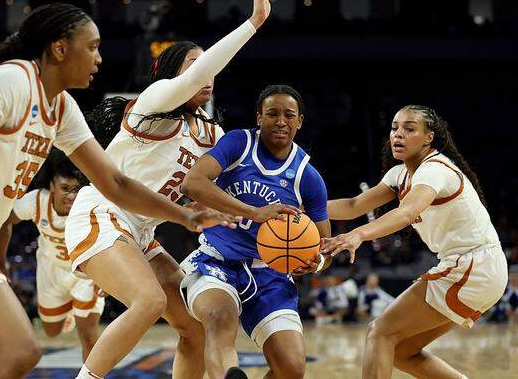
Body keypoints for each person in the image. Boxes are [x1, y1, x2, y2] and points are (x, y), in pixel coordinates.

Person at [0, 2, 234, 379]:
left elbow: (114, 182)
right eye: (93, 46)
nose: (99, 58)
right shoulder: (14, 79)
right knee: (18, 348)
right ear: (60, 48)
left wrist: (184, 215)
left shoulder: (62, 106)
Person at [65, 0, 273, 379]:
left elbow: (243, 181)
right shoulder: (153, 104)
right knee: (148, 301)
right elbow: (198, 72)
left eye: (208, 67)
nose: (207, 74)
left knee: (193, 328)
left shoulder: (211, 133)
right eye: (197, 66)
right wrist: (252, 24)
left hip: (142, 233)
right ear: (176, 72)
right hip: (102, 214)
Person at [323, 105, 508, 379]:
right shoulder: (400, 175)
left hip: (473, 265)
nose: (398, 134)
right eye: (395, 127)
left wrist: (358, 234)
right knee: (400, 352)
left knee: (380, 331)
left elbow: (408, 211)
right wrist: (304, 208)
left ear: (428, 137)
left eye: (409, 129)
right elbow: (353, 205)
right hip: (475, 269)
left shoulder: (434, 169)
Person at [179, 84, 331, 379]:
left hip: (270, 275)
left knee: (292, 369)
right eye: (272, 113)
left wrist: (318, 261)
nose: (281, 121)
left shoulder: (307, 177)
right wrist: (253, 213)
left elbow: (324, 244)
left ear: (300, 121)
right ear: (259, 117)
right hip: (216, 262)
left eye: (289, 115)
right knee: (220, 319)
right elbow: (192, 183)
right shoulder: (239, 144)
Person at [0, 149, 104, 361]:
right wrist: (0, 262)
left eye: (76, 189)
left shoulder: (90, 203)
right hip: (50, 269)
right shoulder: (36, 201)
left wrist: (108, 276)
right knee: (52, 330)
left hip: (85, 271)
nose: (71, 196)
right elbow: (6, 220)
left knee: (88, 335)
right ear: (51, 186)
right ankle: (70, 312)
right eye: (65, 188)